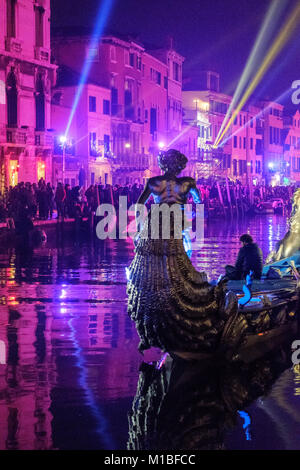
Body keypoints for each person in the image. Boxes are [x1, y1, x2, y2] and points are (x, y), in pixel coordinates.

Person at [127, 149, 246, 354]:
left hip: (155, 225)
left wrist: (141, 226)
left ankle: (155, 320)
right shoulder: (188, 183)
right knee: (179, 264)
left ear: (163, 165)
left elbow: (138, 204)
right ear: (180, 166)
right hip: (176, 223)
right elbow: (199, 202)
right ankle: (179, 306)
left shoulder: (153, 182)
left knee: (153, 269)